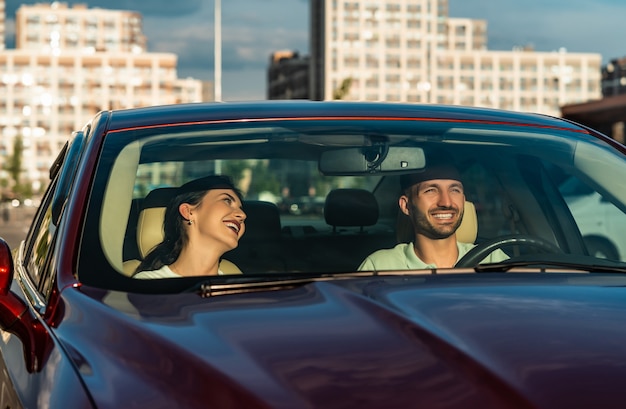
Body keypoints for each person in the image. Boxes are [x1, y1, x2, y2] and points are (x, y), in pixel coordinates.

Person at [358, 155, 507, 271]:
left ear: (463, 199)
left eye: (454, 190)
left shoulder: (492, 260)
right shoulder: (381, 266)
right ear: (406, 206)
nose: (446, 202)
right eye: (431, 190)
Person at [133, 175, 246, 279]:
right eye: (226, 200)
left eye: (241, 208)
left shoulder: (236, 287)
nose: (242, 215)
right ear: (188, 212)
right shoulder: (147, 283)